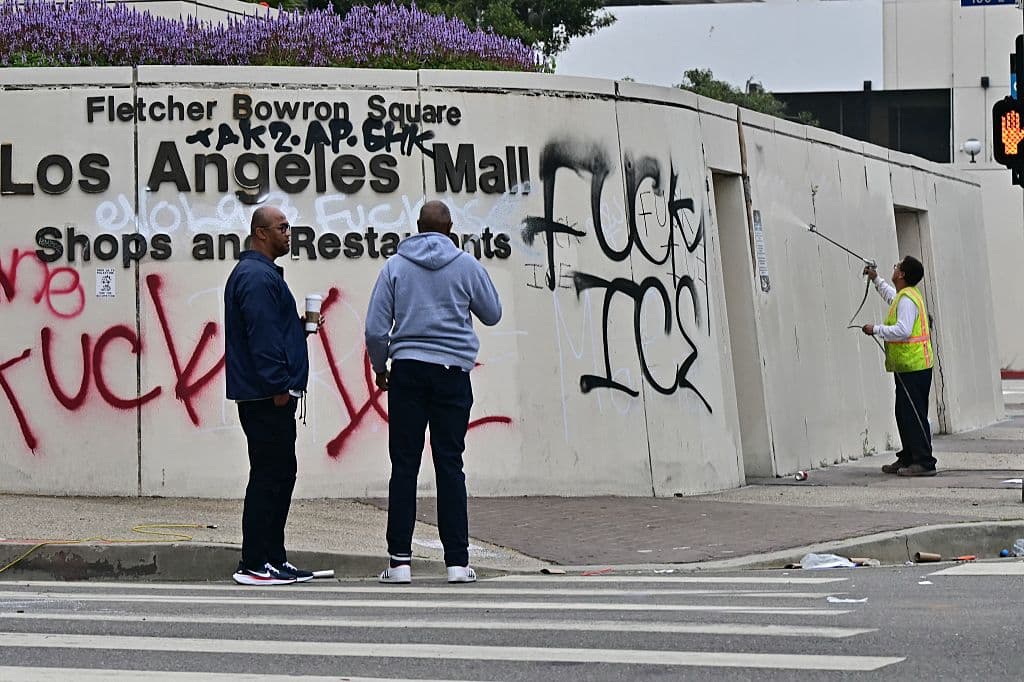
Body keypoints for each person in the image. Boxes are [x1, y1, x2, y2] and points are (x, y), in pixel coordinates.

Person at [365, 200, 502, 584]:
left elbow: (376, 329)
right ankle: (458, 563)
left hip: (407, 372)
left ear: (417, 227)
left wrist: (381, 368)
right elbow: (492, 312)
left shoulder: (395, 266)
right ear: (450, 228)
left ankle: (400, 564)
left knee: (404, 465)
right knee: (450, 464)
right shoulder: (465, 264)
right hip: (453, 373)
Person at [224, 206, 316, 585]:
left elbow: (272, 330)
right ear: (260, 233)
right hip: (266, 397)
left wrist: (299, 329)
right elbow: (261, 338)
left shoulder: (261, 276)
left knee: (282, 472)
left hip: (269, 393)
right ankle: (254, 562)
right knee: (268, 475)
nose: (288, 233)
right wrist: (279, 386)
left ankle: (274, 558)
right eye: (281, 227)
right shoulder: (257, 277)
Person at [861, 256, 936, 477]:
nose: (894, 268)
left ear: (902, 274)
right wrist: (876, 280)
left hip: (915, 367)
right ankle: (908, 457)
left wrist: (876, 329)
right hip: (907, 368)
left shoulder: (907, 300)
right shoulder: (904, 296)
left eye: (897, 266)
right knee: (903, 414)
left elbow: (903, 330)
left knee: (913, 414)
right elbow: (890, 297)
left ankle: (924, 462)